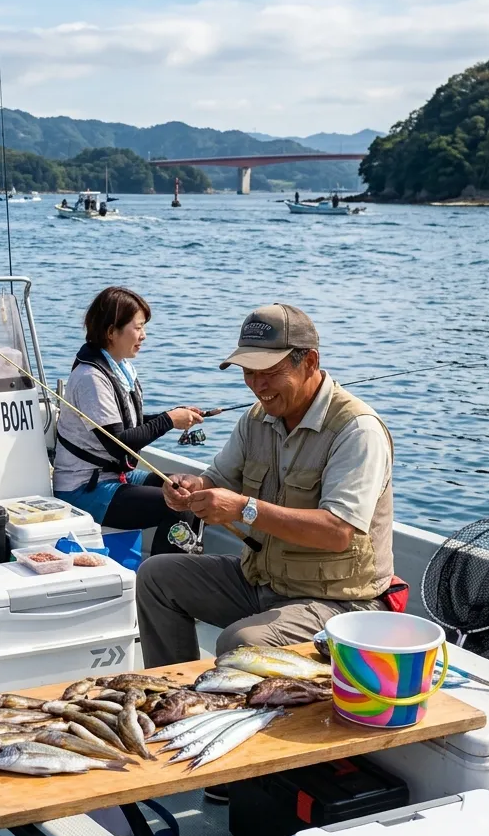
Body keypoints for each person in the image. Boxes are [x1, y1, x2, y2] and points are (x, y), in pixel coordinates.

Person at [135, 303, 395, 669]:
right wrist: (190, 488)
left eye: (270, 372)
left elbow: (338, 532)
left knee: (241, 642)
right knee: (156, 576)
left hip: (341, 602)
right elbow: (217, 480)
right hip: (262, 582)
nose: (258, 385)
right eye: (248, 372)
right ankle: (175, 690)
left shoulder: (357, 430)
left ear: (310, 362)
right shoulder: (256, 419)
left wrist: (244, 509)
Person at [53, 287, 204, 553]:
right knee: (178, 503)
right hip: (83, 487)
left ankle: (179, 568)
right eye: (138, 327)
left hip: (115, 475)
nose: (143, 335)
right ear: (111, 332)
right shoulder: (91, 378)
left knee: (192, 491)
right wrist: (169, 420)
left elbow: (126, 423)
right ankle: (163, 577)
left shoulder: (119, 369)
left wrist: (175, 415)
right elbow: (118, 443)